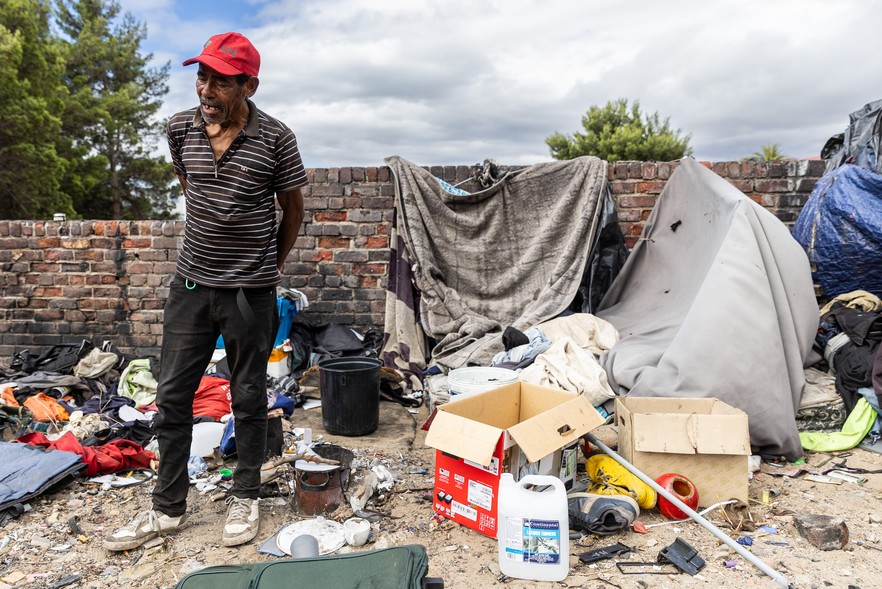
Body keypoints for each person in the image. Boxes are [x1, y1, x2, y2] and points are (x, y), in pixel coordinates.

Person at [104, 32, 307, 551]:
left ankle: (245, 495)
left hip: (249, 293)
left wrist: (269, 266)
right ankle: (166, 508)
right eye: (202, 77)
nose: (207, 90)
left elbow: (293, 209)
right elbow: (189, 186)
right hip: (191, 286)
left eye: (221, 81)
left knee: (248, 395)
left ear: (248, 86)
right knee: (172, 397)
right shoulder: (179, 128)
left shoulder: (277, 138)